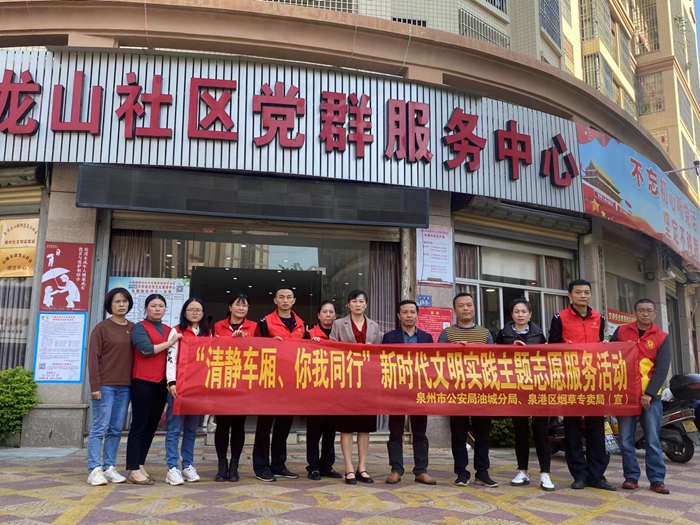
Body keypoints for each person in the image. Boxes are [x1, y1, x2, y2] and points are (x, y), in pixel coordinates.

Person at [548, 279, 615, 491]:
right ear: (570, 295)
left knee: (597, 429)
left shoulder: (599, 318)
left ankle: (597, 476)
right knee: (572, 430)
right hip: (570, 381)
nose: (583, 296)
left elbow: (602, 344)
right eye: (578, 292)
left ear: (591, 295)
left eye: (586, 292)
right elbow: (552, 348)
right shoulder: (559, 317)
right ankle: (579, 475)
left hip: (594, 380)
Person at [611, 299, 671, 494]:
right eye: (641, 310)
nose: (645, 314)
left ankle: (657, 479)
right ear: (634, 312)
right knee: (625, 439)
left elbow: (661, 369)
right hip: (626, 394)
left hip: (650, 397)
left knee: (652, 439)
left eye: (649, 311)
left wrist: (649, 393)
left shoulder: (662, 337)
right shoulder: (621, 331)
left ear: (655, 314)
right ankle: (631, 476)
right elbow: (609, 356)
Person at [438, 292, 496, 488]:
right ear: (455, 310)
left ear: (474, 308)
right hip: (457, 393)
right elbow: (437, 361)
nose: (465, 308)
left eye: (469, 305)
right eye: (461, 305)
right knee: (458, 435)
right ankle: (461, 473)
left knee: (483, 436)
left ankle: (482, 472)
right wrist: (452, 350)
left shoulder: (485, 334)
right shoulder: (447, 334)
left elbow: (494, 360)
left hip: (481, 392)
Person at [496, 298, 554, 491]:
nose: (520, 314)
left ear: (530, 315)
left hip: (538, 388)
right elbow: (495, 358)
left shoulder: (539, 334)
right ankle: (522, 471)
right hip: (516, 388)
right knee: (520, 432)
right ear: (511, 315)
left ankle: (545, 474)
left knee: (541, 432)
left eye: (524, 311)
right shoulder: (503, 335)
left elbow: (547, 359)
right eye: (516, 311)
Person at [126, 294, 182, 485]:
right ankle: (133, 468)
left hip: (161, 383)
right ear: (146, 308)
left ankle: (140, 464)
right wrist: (170, 343)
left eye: (161, 306)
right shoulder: (139, 327)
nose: (157, 309)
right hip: (143, 381)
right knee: (139, 424)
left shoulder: (168, 329)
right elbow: (146, 349)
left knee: (151, 426)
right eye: (153, 305)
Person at [252, 287, 306, 481]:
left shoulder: (301, 324)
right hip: (270, 380)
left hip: (291, 382)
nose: (285, 300)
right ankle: (261, 466)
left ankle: (278, 464)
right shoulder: (265, 322)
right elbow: (256, 348)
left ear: (294, 301)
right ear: (275, 300)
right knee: (264, 426)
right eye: (281, 297)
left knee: (284, 425)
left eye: (288, 297)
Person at [330, 289, 382, 485]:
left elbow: (380, 354)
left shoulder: (375, 326)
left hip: (367, 382)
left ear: (366, 304)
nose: (358, 304)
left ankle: (362, 467)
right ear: (348, 304)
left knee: (364, 427)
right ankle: (349, 468)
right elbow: (331, 348)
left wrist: (371, 350)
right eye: (354, 301)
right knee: (347, 427)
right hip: (346, 381)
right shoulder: (338, 324)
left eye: (361, 301)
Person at [382, 300, 436, 486]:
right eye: (405, 312)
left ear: (417, 315)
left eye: (412, 312)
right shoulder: (389, 337)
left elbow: (432, 364)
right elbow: (383, 363)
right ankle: (396, 469)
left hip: (419, 391)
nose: (409, 315)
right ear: (399, 316)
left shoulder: (427, 338)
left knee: (420, 432)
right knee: (395, 432)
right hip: (397, 391)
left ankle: (421, 470)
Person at [86, 287, 135, 486]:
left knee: (115, 429)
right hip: (105, 386)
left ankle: (109, 467)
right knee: (100, 427)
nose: (121, 304)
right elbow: (93, 358)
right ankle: (94, 469)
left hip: (125, 386)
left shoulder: (133, 328)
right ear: (110, 305)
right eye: (117, 301)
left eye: (125, 301)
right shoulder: (101, 328)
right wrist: (95, 385)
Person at [164, 298, 211, 485]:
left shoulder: (207, 333)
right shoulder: (176, 330)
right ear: (185, 312)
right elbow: (171, 357)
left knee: (191, 429)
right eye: (191, 309)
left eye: (198, 310)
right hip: (179, 386)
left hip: (198, 387)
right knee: (175, 429)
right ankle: (172, 467)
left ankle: (187, 465)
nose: (195, 313)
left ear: (203, 313)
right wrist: (171, 382)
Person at [212, 293, 257, 482]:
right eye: (238, 305)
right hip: (222, 380)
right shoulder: (218, 326)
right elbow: (211, 349)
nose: (241, 308)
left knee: (239, 425)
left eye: (244, 305)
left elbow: (260, 350)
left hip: (243, 382)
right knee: (222, 425)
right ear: (230, 307)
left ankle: (234, 465)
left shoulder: (253, 326)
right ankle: (222, 464)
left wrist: (244, 340)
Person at [303, 301, 342, 480]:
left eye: (331, 312)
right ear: (318, 315)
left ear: (335, 315)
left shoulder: (340, 335)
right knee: (314, 431)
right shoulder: (309, 334)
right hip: (315, 390)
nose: (328, 315)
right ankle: (313, 467)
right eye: (324, 312)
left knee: (330, 431)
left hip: (335, 390)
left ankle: (327, 465)